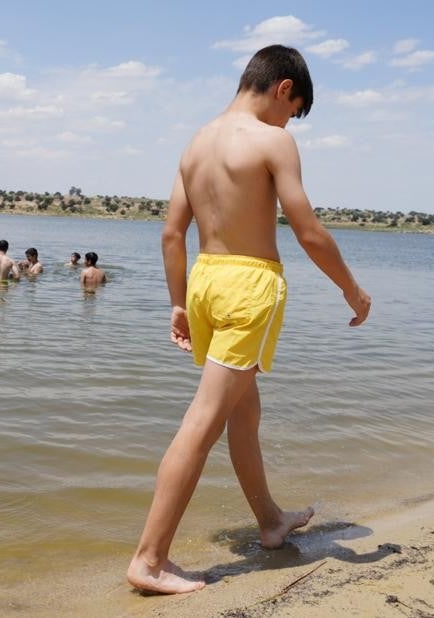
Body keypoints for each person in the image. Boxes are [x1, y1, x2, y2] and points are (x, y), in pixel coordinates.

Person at [126, 44, 372, 595]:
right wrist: (351, 290)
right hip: (248, 287)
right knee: (205, 419)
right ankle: (150, 559)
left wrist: (178, 302)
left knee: (243, 413)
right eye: (294, 110)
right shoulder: (272, 141)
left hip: (206, 285)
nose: (291, 123)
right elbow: (307, 230)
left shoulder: (195, 143)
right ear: (283, 88)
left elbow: (171, 233)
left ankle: (269, 520)